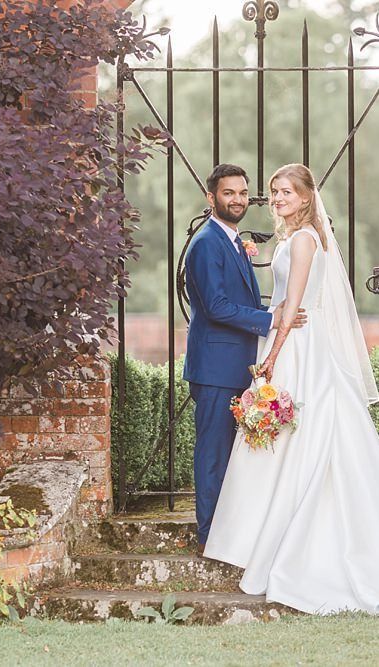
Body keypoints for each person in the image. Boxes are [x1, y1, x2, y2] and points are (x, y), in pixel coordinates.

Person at [204, 163, 379, 614]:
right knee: (281, 438)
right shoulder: (296, 238)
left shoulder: (303, 240)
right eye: (274, 191)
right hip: (290, 336)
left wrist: (271, 358)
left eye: (286, 192)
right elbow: (282, 304)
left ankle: (285, 540)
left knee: (298, 434)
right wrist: (275, 323)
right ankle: (256, 533)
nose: (277, 198)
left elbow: (295, 307)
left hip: (299, 346)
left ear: (305, 197)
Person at [183, 163, 307, 555]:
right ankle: (208, 536)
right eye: (228, 193)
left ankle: (231, 534)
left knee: (237, 457)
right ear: (211, 198)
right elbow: (217, 306)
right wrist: (271, 319)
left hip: (237, 364)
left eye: (241, 193)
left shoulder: (233, 240)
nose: (237, 200)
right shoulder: (206, 243)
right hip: (215, 368)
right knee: (214, 452)